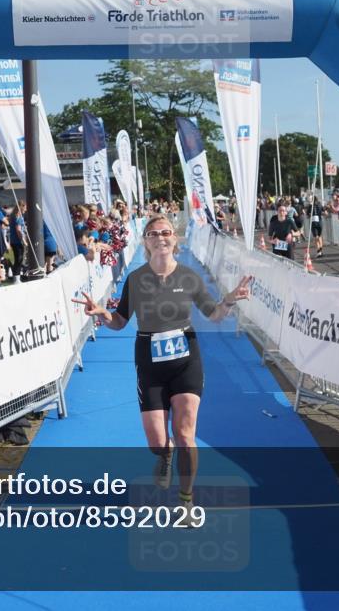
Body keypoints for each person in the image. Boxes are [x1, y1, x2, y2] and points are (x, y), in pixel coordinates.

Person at [72, 215, 252, 522]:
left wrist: (230, 300)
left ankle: (186, 501)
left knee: (185, 435)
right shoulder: (136, 279)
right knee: (158, 442)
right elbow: (119, 323)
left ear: (174, 239)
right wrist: (101, 313)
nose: (161, 237)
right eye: (154, 234)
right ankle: (164, 456)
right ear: (146, 241)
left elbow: (214, 315)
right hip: (149, 362)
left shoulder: (189, 277)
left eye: (166, 232)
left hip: (186, 361)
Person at [9, 201, 27, 280]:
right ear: (22, 207)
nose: (26, 210)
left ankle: (16, 276)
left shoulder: (13, 216)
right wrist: (24, 241)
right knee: (19, 260)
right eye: (25, 207)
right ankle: (16, 277)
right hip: (17, 241)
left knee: (18, 260)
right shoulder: (18, 217)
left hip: (13, 240)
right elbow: (18, 230)